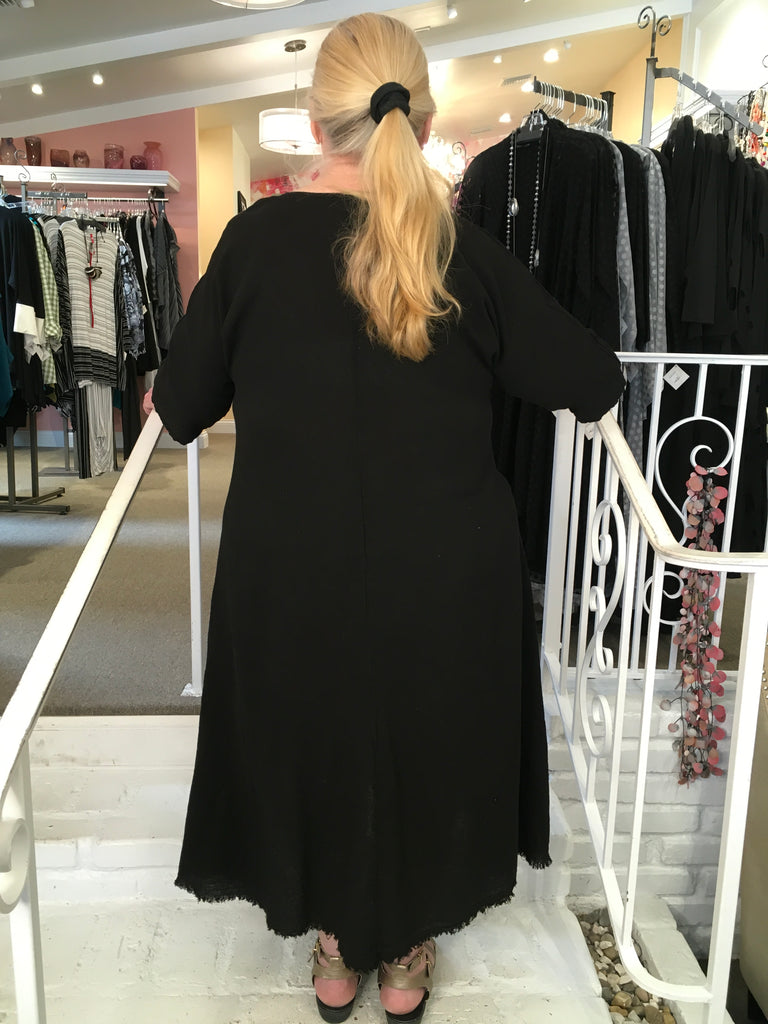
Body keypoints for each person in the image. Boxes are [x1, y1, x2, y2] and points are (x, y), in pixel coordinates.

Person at [145, 12, 625, 1024]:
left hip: (291, 565)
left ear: (315, 122)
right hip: (447, 569)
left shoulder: (253, 242)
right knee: (427, 741)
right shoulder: (463, 251)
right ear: (426, 119)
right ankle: (406, 950)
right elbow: (591, 380)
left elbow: (181, 406)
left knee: (315, 732)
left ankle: (334, 943)